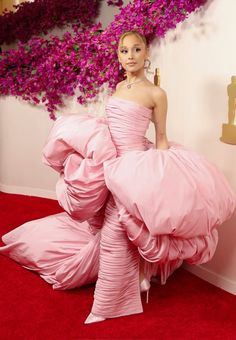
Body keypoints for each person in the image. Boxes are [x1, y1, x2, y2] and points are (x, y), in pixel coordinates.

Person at [0, 31, 235, 325]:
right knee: (112, 230)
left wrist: (160, 179)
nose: (130, 56)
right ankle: (139, 276)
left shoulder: (156, 93)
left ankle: (109, 304)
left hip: (133, 168)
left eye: (137, 50)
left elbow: (161, 137)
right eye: (124, 51)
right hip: (111, 165)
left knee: (116, 233)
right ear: (119, 55)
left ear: (146, 53)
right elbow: (112, 127)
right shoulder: (120, 86)